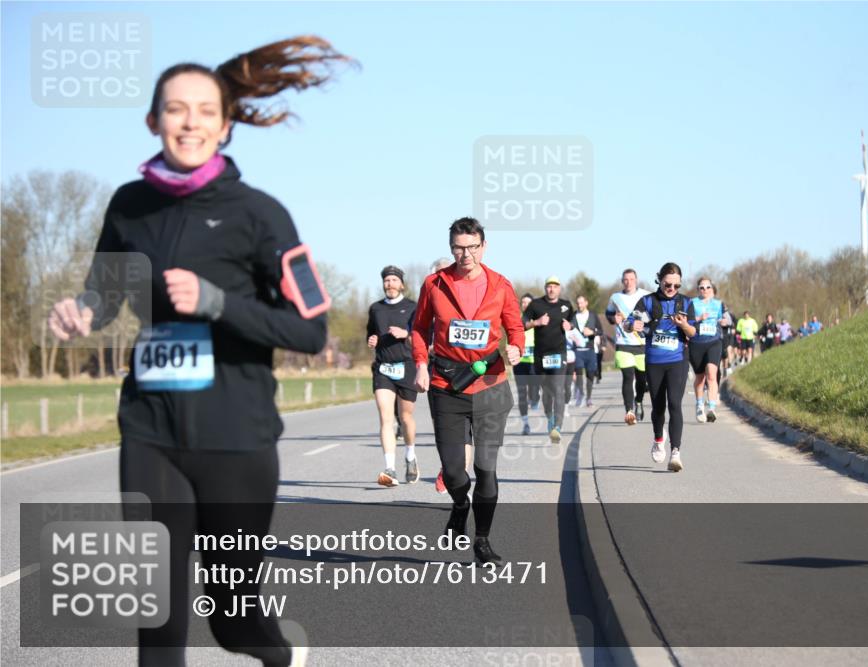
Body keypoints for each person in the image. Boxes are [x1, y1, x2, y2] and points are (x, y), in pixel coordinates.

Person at [47, 36, 346, 667]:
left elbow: (311, 333)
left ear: (226, 124)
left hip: (237, 438)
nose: (190, 122)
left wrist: (217, 302)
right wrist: (81, 313)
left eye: (204, 110)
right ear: (153, 121)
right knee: (156, 623)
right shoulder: (129, 206)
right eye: (176, 109)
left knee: (233, 622)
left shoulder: (263, 216)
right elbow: (107, 290)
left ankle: (280, 652)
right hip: (150, 431)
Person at [412, 217, 524, 565]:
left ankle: (483, 541)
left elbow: (515, 326)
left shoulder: (501, 285)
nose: (466, 254)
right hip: (446, 385)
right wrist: (419, 363)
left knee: (486, 468)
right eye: (459, 248)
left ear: (483, 247)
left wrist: (517, 348)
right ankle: (460, 505)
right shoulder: (435, 284)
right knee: (454, 471)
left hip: (490, 385)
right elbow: (419, 328)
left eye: (472, 247)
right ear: (450, 248)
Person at [625, 263, 697, 471]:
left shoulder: (685, 302)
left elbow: (692, 332)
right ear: (659, 279)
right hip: (654, 361)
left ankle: (675, 452)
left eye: (676, 286)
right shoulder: (648, 301)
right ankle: (658, 439)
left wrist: (683, 325)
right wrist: (633, 325)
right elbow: (628, 323)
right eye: (668, 284)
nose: (672, 289)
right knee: (658, 407)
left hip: (678, 360)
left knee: (675, 404)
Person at [367, 266, 418, 486]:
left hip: (406, 367)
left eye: (394, 280)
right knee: (385, 418)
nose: (390, 284)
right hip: (383, 368)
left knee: (405, 417)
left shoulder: (412, 307)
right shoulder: (375, 309)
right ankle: (390, 468)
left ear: (402, 285)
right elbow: (370, 333)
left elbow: (421, 337)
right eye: (387, 280)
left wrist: (406, 334)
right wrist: (371, 340)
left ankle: (410, 455)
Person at [426, 257, 473, 494]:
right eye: (437, 276)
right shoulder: (428, 299)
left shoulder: (468, 300)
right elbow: (419, 331)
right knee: (443, 428)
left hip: (465, 371)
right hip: (436, 371)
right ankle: (450, 468)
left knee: (464, 431)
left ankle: (455, 480)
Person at [524, 277, 574, 443]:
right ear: (545, 288)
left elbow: (573, 322)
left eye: (555, 286)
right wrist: (536, 322)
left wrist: (570, 326)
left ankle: (557, 427)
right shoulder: (536, 305)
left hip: (559, 354)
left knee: (558, 389)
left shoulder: (566, 305)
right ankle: (550, 418)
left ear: (559, 289)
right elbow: (522, 323)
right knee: (546, 393)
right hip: (541, 356)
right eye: (549, 286)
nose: (552, 289)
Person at [606, 269, 651, 424]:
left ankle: (638, 401)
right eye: (625, 279)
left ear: (636, 280)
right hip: (623, 343)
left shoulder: (646, 295)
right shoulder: (615, 298)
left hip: (642, 344)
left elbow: (653, 316)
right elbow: (609, 314)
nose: (628, 282)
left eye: (631, 279)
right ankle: (629, 411)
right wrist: (614, 318)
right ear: (622, 281)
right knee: (627, 377)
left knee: (641, 380)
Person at [687, 278, 730, 423]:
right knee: (700, 378)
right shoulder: (692, 303)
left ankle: (711, 408)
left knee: (712, 374)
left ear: (712, 288)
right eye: (701, 287)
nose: (705, 290)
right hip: (696, 342)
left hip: (714, 342)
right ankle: (699, 405)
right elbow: (687, 322)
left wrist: (724, 321)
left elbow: (727, 319)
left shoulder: (718, 304)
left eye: (707, 287)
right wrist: (699, 318)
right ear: (698, 289)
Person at [513, 293, 541, 435]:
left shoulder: (538, 319)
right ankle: (525, 423)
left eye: (528, 302)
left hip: (534, 360)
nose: (525, 304)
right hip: (520, 361)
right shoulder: (516, 319)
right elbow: (510, 336)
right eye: (523, 302)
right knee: (521, 393)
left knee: (534, 390)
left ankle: (535, 398)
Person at [571, 295, 601, 407]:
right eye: (578, 303)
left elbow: (601, 331)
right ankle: (581, 394)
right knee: (578, 373)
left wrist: (592, 332)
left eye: (582, 303)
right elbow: (567, 329)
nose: (579, 305)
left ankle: (589, 398)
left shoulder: (593, 315)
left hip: (590, 349)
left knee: (590, 374)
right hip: (577, 350)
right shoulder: (573, 315)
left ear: (586, 303)